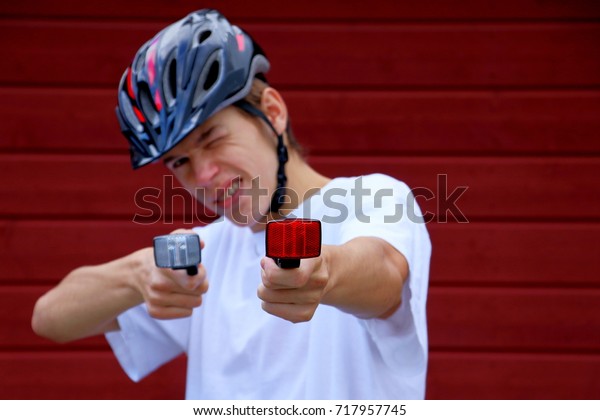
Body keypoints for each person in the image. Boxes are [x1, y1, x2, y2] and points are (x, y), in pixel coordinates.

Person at [32, 9, 431, 399]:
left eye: (212, 138)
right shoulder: (204, 255)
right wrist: (138, 274)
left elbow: (383, 275)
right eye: (180, 162)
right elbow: (50, 318)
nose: (202, 175)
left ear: (272, 113)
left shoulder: (374, 198)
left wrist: (324, 269)